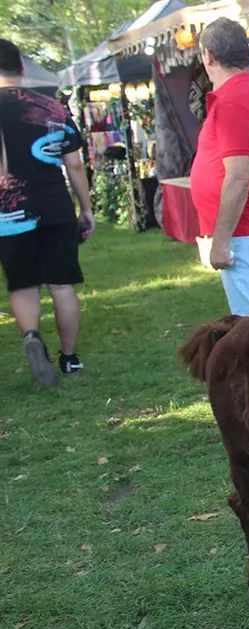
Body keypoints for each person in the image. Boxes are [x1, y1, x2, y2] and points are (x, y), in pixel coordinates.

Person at [0, 39, 94, 386]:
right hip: (54, 207)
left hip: (8, 214)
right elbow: (75, 165)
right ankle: (69, 359)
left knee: (23, 285)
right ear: (22, 69)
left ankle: (31, 336)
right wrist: (85, 208)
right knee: (62, 286)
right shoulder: (53, 109)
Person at [190, 18, 249, 316]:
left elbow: (239, 177)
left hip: (246, 233)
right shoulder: (244, 94)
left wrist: (220, 243)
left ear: (208, 56)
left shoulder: (234, 100)